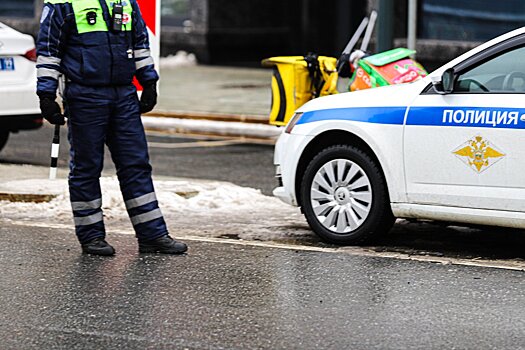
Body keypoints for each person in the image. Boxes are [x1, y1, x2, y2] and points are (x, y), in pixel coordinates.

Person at [36, 0, 187, 256]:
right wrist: (46, 95)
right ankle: (92, 236)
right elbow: (49, 50)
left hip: (124, 94)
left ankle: (152, 235)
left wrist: (148, 81)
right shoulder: (63, 3)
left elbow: (139, 43)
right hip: (85, 95)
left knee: (136, 164)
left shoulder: (126, 1)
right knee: (86, 167)